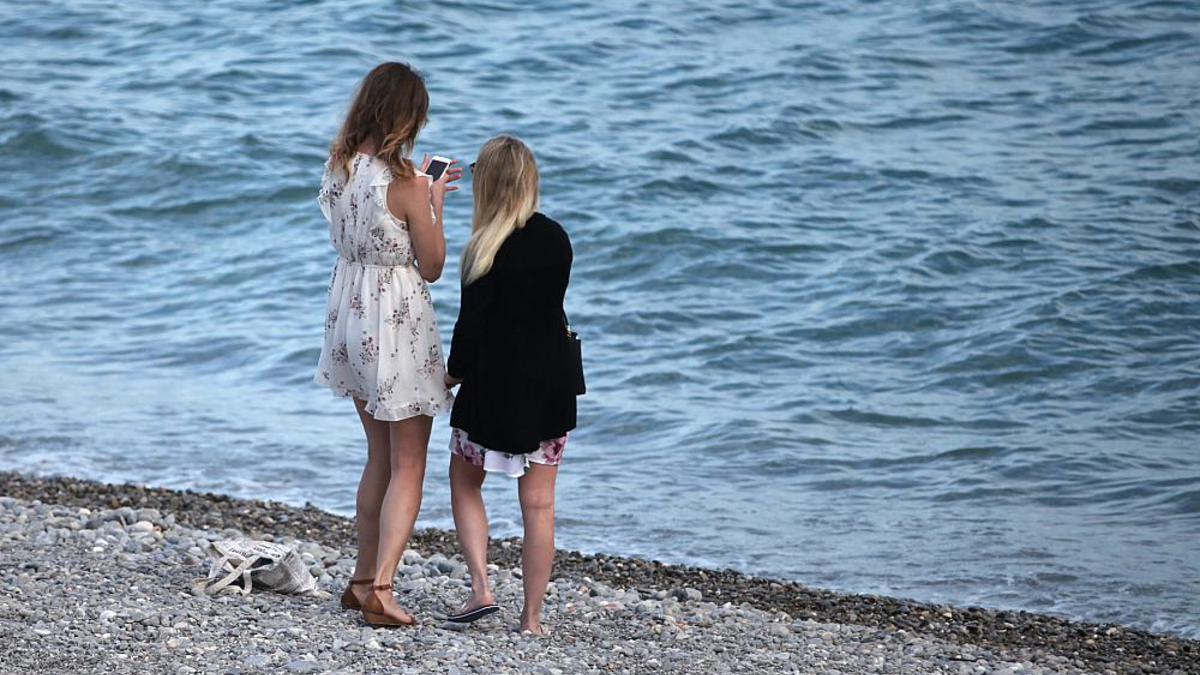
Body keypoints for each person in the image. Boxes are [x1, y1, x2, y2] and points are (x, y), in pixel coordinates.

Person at [313, 62, 462, 627]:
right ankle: (381, 587)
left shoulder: (341, 167)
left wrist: (422, 196)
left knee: (378, 453)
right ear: (409, 117)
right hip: (395, 320)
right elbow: (433, 265)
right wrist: (433, 204)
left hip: (348, 310)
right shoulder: (407, 183)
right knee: (410, 461)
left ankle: (359, 578)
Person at [443, 135, 578, 635]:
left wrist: (450, 375)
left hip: (492, 391)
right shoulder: (556, 238)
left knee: (463, 480)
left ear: (490, 183)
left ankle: (481, 587)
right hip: (549, 388)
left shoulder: (484, 247)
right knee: (539, 505)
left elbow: (470, 329)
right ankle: (532, 619)